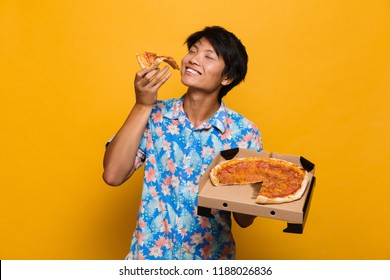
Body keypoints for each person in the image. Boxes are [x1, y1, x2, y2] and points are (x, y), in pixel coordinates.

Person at [103, 26, 263, 260]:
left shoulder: (243, 132)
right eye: (193, 51)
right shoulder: (154, 114)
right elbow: (113, 175)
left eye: (208, 57)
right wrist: (142, 105)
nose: (193, 60)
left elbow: (245, 220)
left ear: (227, 77)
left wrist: (246, 182)